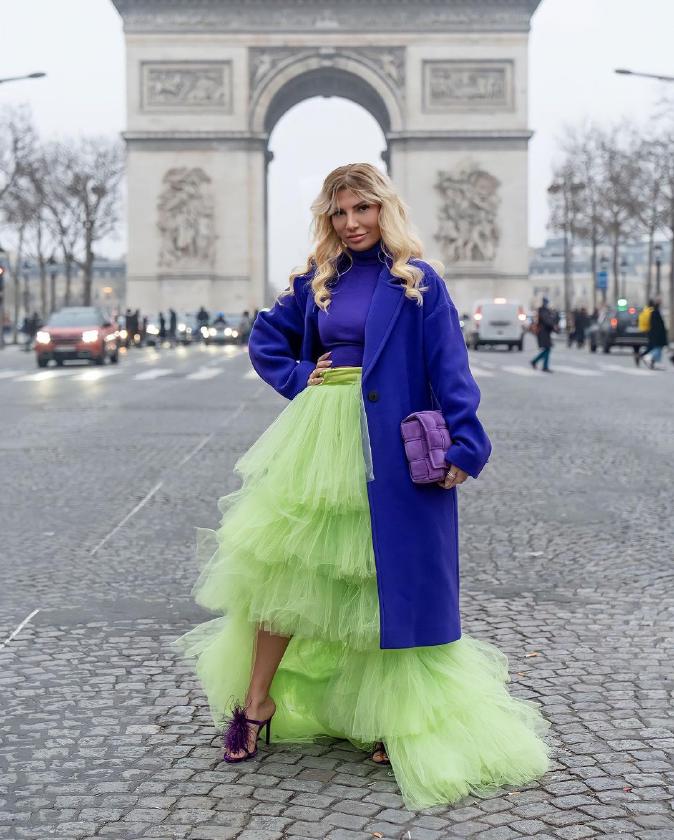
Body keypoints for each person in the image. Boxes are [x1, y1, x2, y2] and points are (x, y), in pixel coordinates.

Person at [173, 163, 551, 811]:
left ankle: (386, 713)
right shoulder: (318, 279)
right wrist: (300, 377)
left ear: (385, 209)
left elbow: (449, 366)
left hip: (389, 444)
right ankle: (257, 701)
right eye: (340, 212)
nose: (351, 223)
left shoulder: (418, 281)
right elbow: (266, 338)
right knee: (286, 572)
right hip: (321, 441)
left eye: (362, 209)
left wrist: (466, 442)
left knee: (380, 579)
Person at [637, 297, 668, 369]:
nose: (660, 303)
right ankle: (648, 359)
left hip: (653, 333)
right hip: (656, 334)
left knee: (652, 347)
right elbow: (657, 325)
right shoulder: (654, 312)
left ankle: (647, 359)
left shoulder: (652, 311)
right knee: (657, 348)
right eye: (658, 302)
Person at [530, 297, 558, 372]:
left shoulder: (544, 310)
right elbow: (547, 321)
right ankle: (543, 366)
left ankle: (536, 362)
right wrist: (553, 326)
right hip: (543, 333)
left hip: (545, 332)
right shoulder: (543, 310)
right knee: (547, 349)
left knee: (547, 349)